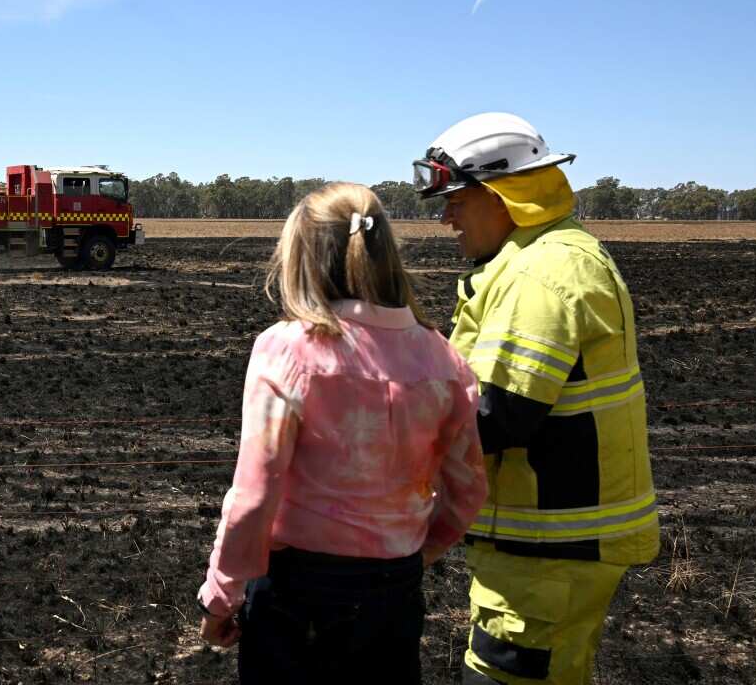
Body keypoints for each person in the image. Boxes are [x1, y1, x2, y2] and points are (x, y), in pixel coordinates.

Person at [196, 182, 488, 683]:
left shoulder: (287, 350)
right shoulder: (444, 357)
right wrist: (416, 553)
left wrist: (221, 598)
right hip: (395, 593)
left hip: (297, 595)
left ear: (301, 258)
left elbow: (254, 495)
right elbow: (469, 490)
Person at [413, 113, 659, 684]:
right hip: (547, 548)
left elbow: (495, 416)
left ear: (502, 196)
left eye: (456, 201)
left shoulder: (540, 275)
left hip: (549, 548)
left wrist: (368, 440)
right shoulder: (547, 257)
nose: (446, 219)